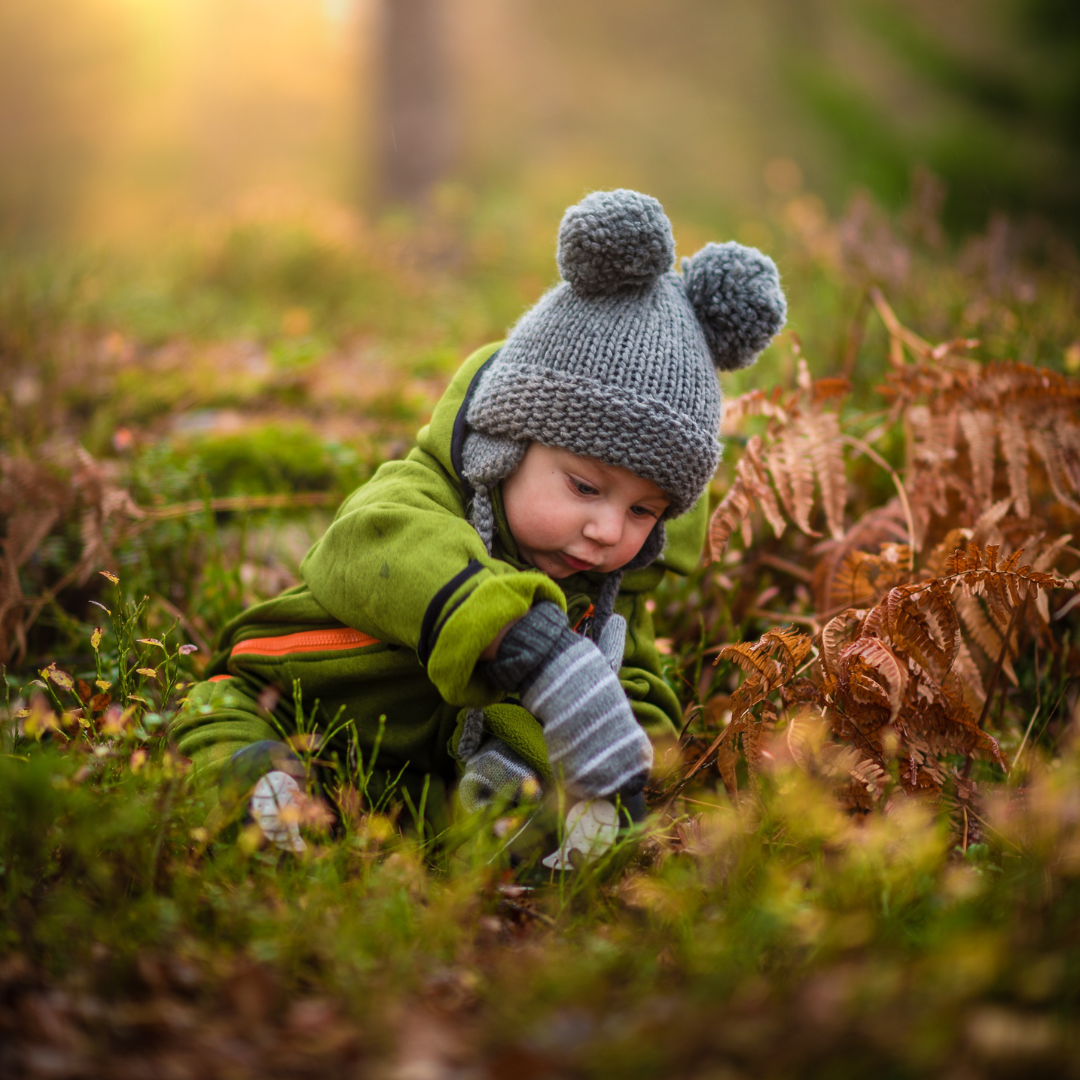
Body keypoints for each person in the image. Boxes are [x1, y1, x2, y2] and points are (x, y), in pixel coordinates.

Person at [171, 189, 786, 854]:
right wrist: (526, 643)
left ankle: (467, 832)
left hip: (417, 773)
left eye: (643, 510)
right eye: (584, 487)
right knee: (223, 720)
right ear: (505, 446)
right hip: (292, 697)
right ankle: (260, 792)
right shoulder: (419, 497)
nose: (608, 531)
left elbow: (635, 685)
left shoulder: (606, 589)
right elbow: (373, 548)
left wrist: (615, 761)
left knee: (502, 809)